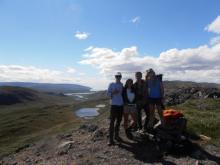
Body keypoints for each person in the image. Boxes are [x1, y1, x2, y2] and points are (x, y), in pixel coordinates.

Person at [107, 72, 124, 146]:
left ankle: (116, 136)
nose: (118, 77)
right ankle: (111, 140)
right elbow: (107, 94)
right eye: (117, 76)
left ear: (121, 77)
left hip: (120, 105)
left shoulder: (122, 85)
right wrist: (113, 92)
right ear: (115, 77)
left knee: (119, 121)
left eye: (119, 76)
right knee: (112, 122)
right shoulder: (111, 84)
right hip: (113, 105)